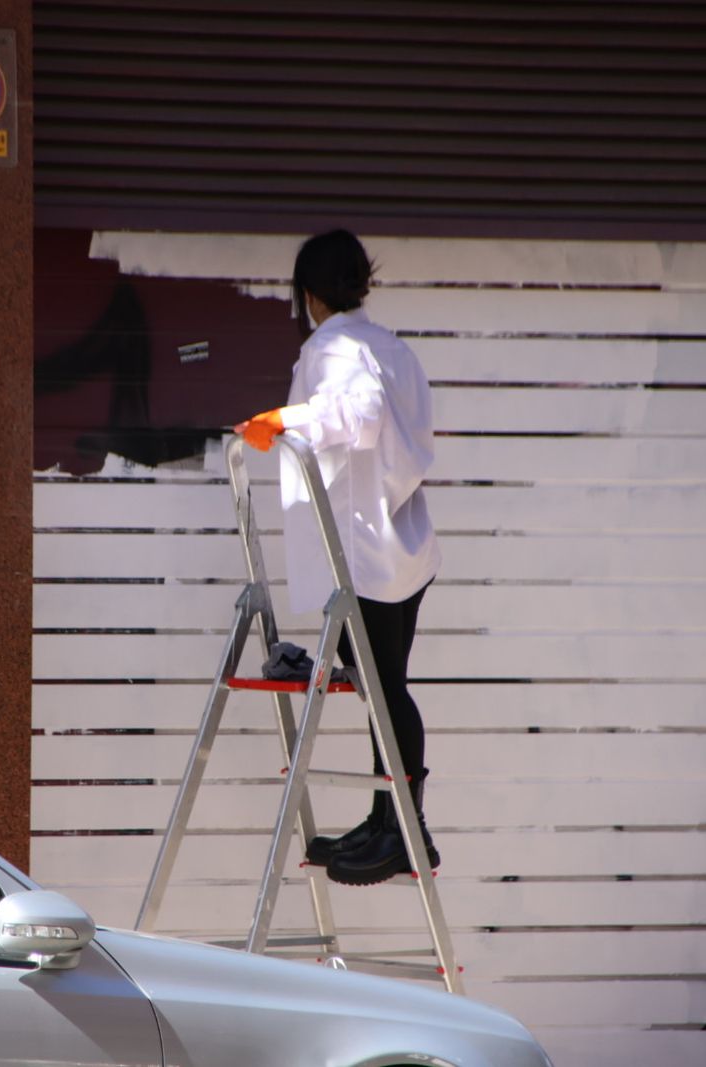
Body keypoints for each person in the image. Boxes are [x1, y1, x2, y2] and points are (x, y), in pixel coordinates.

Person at [234, 229, 441, 887]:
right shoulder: (390, 347)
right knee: (385, 689)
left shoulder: (336, 347)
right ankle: (390, 821)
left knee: (385, 692)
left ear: (310, 293)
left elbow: (359, 414)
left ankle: (405, 832)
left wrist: (289, 421)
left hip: (363, 553)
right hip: (399, 544)